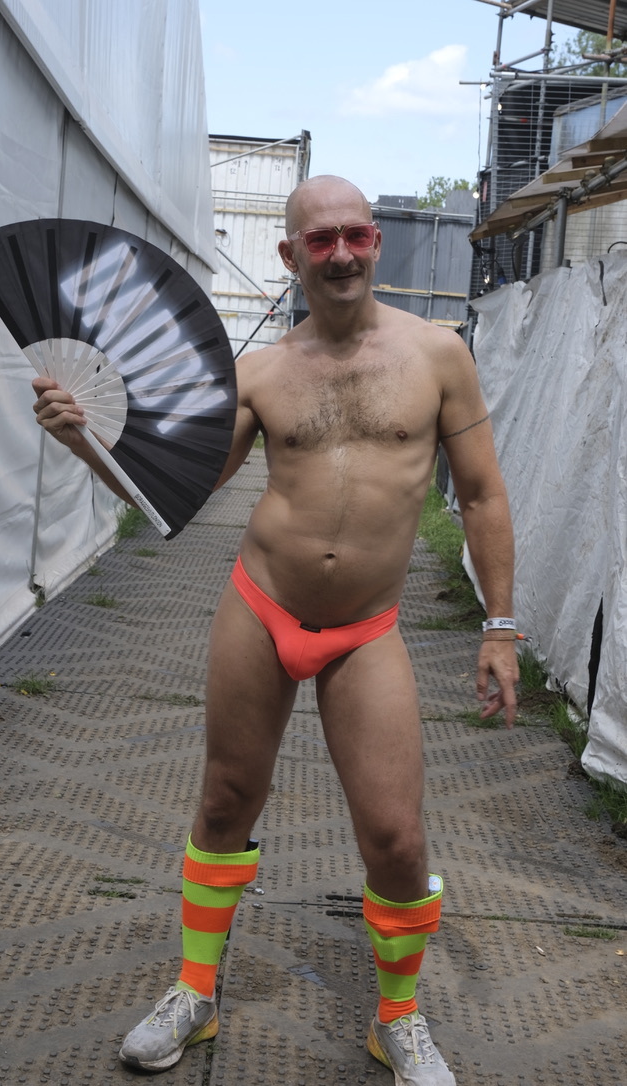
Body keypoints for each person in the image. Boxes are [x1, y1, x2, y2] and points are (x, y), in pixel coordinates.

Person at [32, 175, 519, 1085]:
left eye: (356, 235)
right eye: (320, 241)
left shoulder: (439, 354)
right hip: (259, 609)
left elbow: (485, 494)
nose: (341, 253)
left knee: (397, 838)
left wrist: (500, 627)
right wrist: (80, 443)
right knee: (223, 803)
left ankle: (398, 1020)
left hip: (367, 629)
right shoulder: (256, 373)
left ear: (376, 243)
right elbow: (178, 498)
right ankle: (194, 991)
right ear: (290, 258)